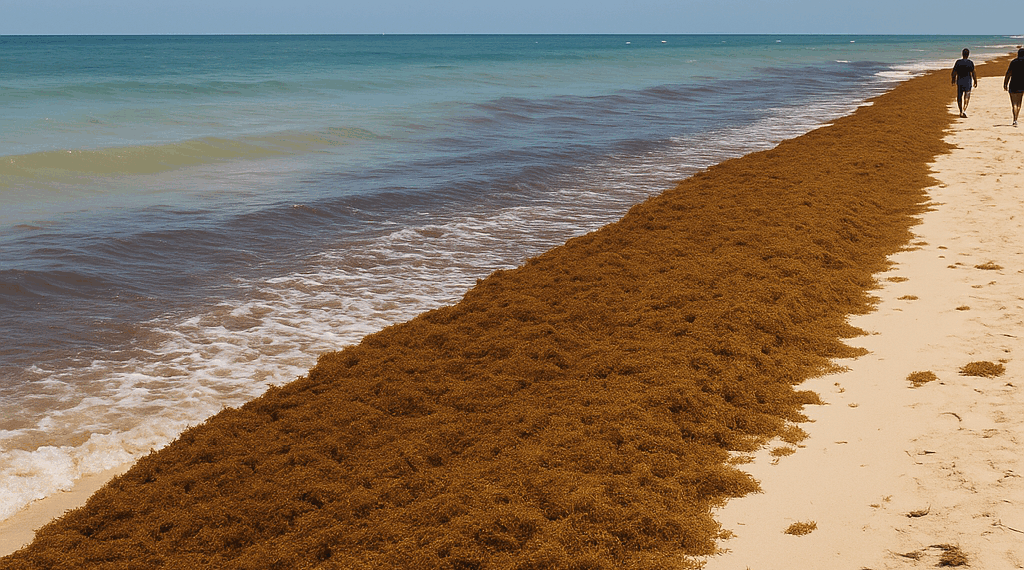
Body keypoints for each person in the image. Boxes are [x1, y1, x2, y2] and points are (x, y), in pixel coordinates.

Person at [951, 48, 977, 118]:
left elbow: (954, 72)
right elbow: (973, 72)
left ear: (962, 54)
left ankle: (960, 111)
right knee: (967, 96)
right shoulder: (970, 63)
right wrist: (975, 81)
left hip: (960, 81)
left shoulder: (958, 62)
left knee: (959, 97)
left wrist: (953, 80)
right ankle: (964, 110)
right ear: (968, 55)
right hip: (968, 81)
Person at [1004, 48, 1024, 127]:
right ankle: (1016, 119)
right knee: (1019, 103)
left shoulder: (1013, 62)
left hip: (1013, 83)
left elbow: (1008, 73)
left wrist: (1005, 83)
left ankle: (1015, 119)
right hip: (1022, 84)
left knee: (1014, 104)